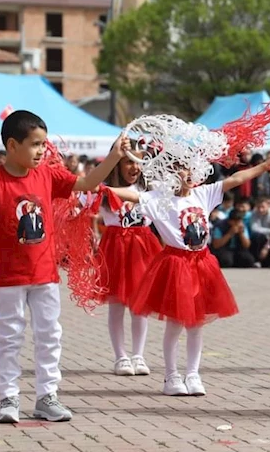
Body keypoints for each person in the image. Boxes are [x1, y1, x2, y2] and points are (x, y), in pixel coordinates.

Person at [0, 110, 130, 424]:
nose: (42, 151)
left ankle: (46, 396)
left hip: (45, 275)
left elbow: (88, 182)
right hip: (8, 277)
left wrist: (113, 156)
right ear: (12, 145)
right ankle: (8, 399)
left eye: (43, 144)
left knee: (50, 334)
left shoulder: (49, 175)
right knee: (9, 337)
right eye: (36, 144)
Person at [118, 159, 270, 397]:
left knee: (196, 324)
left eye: (191, 168)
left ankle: (193, 373)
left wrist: (263, 166)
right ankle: (171, 376)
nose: (188, 173)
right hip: (176, 265)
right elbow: (132, 197)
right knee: (175, 324)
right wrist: (97, 186)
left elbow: (235, 179)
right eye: (182, 168)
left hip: (201, 264)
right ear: (170, 174)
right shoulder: (160, 200)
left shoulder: (203, 194)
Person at [100, 147, 162, 377]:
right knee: (116, 305)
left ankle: (138, 355)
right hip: (115, 248)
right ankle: (120, 357)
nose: (135, 167)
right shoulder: (104, 190)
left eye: (139, 162)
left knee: (140, 306)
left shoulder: (150, 189)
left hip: (143, 247)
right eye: (128, 162)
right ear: (117, 163)